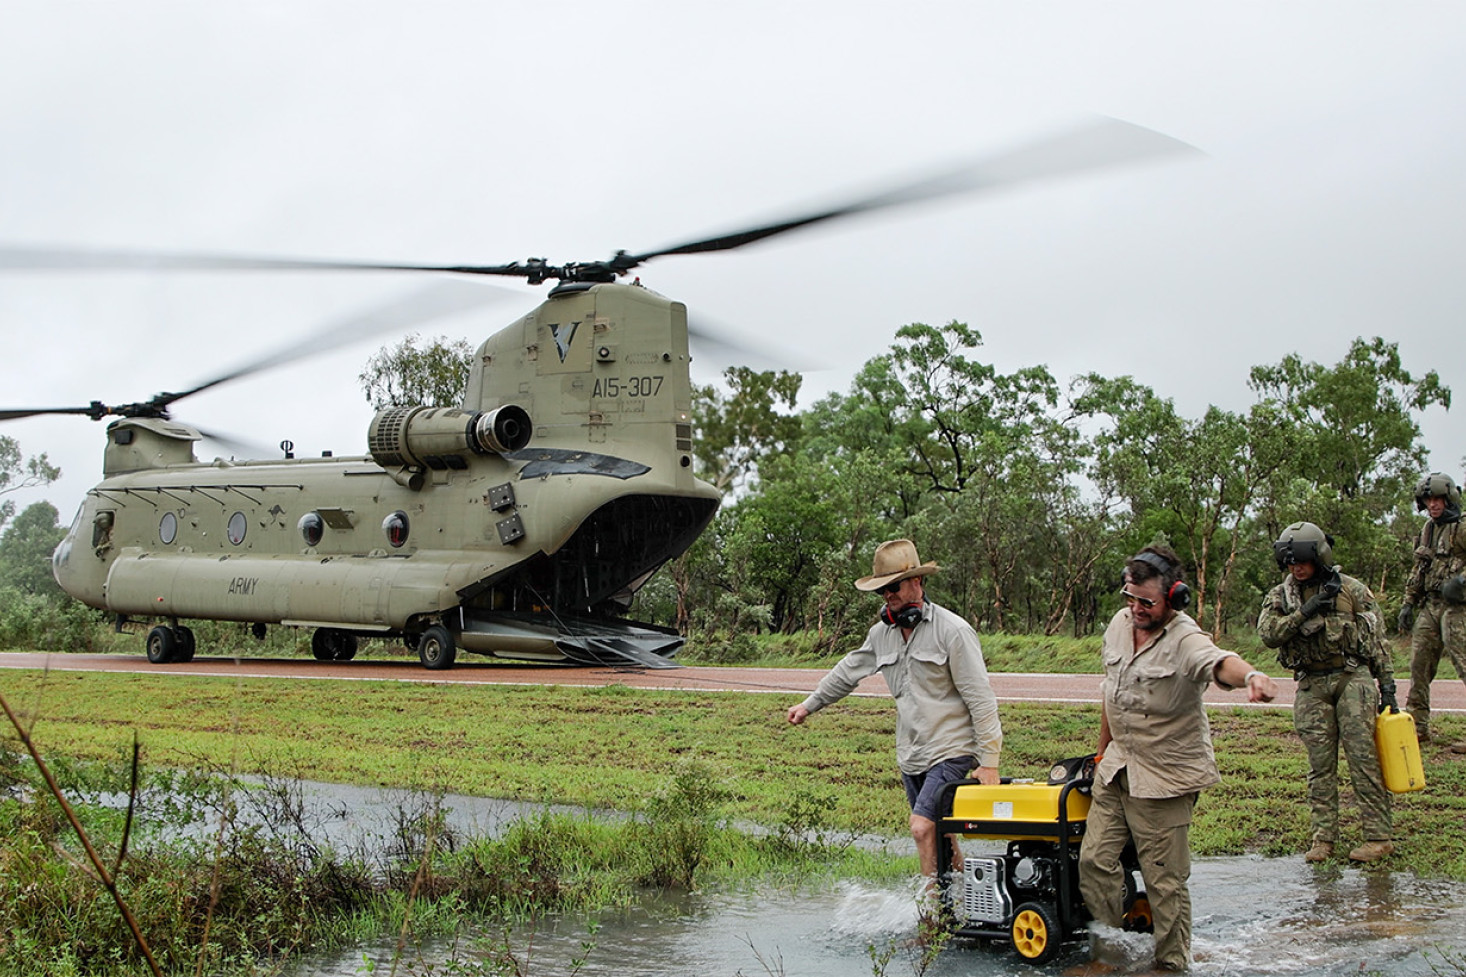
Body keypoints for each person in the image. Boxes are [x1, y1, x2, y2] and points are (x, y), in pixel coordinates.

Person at [1078, 545, 1277, 973]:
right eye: (1129, 598)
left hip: (1165, 777)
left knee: (1164, 881)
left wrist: (1253, 677)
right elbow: (1110, 694)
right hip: (1117, 767)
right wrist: (1101, 749)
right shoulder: (1118, 625)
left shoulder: (1186, 638)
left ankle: (1171, 964)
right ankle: (1111, 954)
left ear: (1175, 597)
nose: (1135, 608)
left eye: (1146, 601)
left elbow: (1219, 663)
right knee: (1094, 861)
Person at [786, 539, 1001, 884]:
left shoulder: (954, 631)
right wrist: (809, 705)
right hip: (912, 754)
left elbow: (981, 699)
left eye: (893, 586)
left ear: (918, 582)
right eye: (881, 590)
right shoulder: (880, 635)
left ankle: (929, 917)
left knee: (920, 828)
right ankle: (970, 905)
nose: (887, 595)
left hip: (952, 750)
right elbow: (847, 672)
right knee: (940, 835)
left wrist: (989, 763)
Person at [1257, 522, 1394, 863]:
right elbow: (1269, 634)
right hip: (1311, 684)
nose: (1295, 568)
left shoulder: (1352, 590)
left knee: (1363, 759)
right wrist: (1306, 610)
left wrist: (1387, 686)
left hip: (1352, 679)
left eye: (1301, 561)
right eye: (1289, 562)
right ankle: (1323, 840)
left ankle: (1378, 837)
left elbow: (1378, 640)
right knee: (1320, 766)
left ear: (1319, 557)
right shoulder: (1282, 595)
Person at [1399, 472, 1466, 753]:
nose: (1433, 504)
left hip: (1459, 608)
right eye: (1428, 499)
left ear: (1449, 499)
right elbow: (1420, 569)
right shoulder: (1427, 529)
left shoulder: (1462, 528)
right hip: (1430, 604)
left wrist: (1461, 582)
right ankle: (1417, 727)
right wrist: (1408, 602)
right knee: (1419, 665)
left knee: (1464, 664)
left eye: (1438, 498)